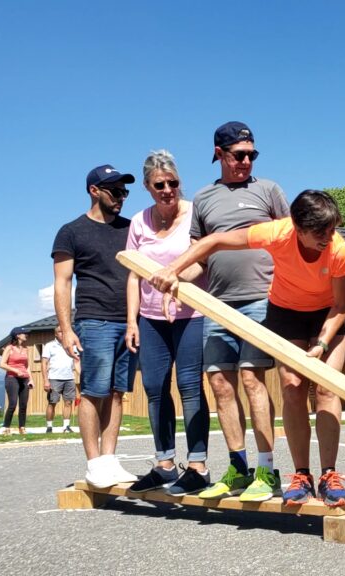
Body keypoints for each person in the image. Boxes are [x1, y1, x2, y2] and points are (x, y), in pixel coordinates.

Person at [151, 190, 345, 508]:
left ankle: (329, 474)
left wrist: (323, 344)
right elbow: (213, 241)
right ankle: (301, 474)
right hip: (286, 312)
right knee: (292, 386)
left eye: (332, 230)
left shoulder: (339, 251)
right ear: (297, 228)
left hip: (327, 314)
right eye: (320, 233)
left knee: (327, 387)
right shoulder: (276, 233)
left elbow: (341, 307)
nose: (329, 238)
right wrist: (172, 270)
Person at [178, 121, 290, 501]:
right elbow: (198, 259)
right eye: (239, 154)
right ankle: (238, 467)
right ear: (218, 154)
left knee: (251, 378)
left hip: (261, 297)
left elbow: (289, 241)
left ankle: (267, 469)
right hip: (217, 305)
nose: (246, 161)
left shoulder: (268, 191)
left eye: (251, 155)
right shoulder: (204, 199)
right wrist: (176, 285)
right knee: (220, 384)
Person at [123, 150, 212, 495]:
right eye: (159, 184)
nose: (167, 189)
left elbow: (202, 261)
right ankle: (164, 464)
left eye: (173, 183)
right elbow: (133, 275)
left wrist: (178, 281)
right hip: (150, 317)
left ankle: (198, 465)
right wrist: (131, 321)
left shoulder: (193, 214)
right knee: (155, 388)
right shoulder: (138, 223)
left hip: (191, 313)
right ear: (148, 186)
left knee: (190, 386)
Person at [52, 164, 140, 489]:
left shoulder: (131, 230)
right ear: (94, 191)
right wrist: (66, 329)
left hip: (129, 322)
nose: (121, 197)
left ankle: (109, 460)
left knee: (117, 393)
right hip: (94, 320)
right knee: (93, 392)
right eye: (115, 191)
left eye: (124, 192)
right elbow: (62, 284)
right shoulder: (71, 231)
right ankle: (93, 464)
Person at [41, 325, 78, 434]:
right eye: (60, 331)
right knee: (52, 402)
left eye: (64, 331)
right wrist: (45, 380)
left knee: (68, 402)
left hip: (69, 378)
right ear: (55, 334)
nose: (62, 333)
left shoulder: (72, 345)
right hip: (54, 378)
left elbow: (77, 361)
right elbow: (44, 363)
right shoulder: (49, 346)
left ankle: (66, 426)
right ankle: (49, 427)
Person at [0, 327, 32, 435]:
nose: (26, 335)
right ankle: (6, 427)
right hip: (12, 378)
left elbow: (27, 366)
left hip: (24, 378)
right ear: (17, 335)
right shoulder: (9, 348)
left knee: (23, 404)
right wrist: (15, 370)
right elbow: (2, 364)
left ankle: (22, 427)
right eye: (24, 333)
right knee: (13, 404)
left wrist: (31, 379)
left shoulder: (26, 349)